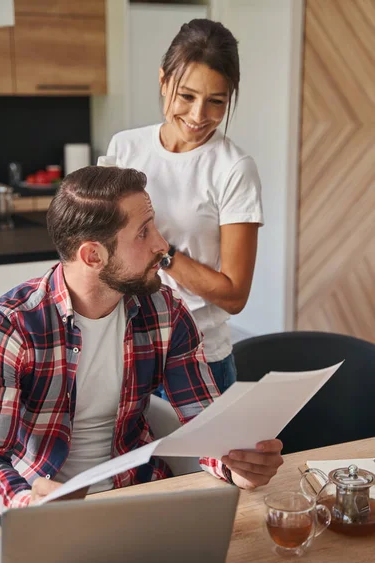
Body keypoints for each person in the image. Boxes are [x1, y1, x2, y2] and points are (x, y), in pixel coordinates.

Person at [0, 166, 282, 524]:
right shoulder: (8, 327)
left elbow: (207, 425)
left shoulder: (166, 311)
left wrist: (235, 466)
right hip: (42, 510)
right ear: (93, 256)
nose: (162, 246)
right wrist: (25, 506)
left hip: (139, 499)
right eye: (143, 233)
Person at [105, 18, 263, 395]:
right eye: (187, 96)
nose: (197, 116)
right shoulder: (124, 149)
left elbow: (234, 295)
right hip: (128, 353)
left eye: (216, 102)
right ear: (163, 81)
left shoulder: (233, 169)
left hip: (198, 358)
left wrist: (161, 249)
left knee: (203, 458)